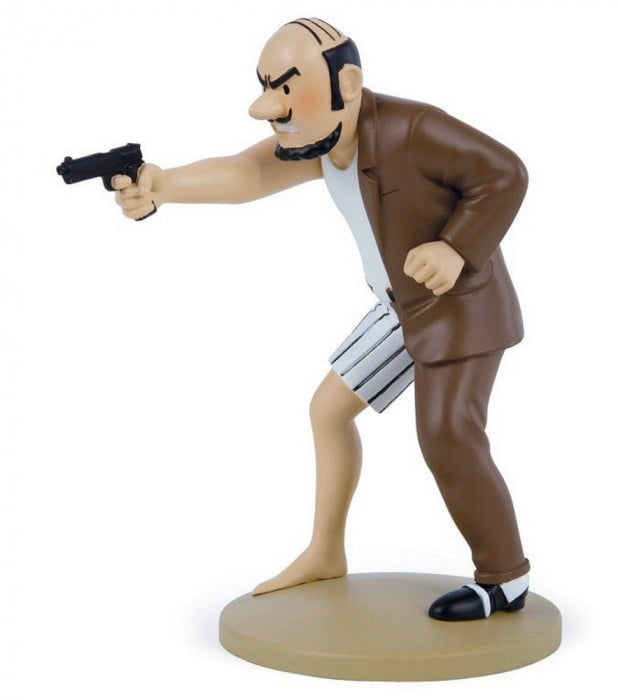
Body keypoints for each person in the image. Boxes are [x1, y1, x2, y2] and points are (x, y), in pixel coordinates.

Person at [113, 18, 531, 621]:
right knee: (329, 410)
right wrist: (164, 186)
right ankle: (326, 552)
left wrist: (455, 247)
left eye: (285, 88)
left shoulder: (413, 129)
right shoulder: (322, 140)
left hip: (458, 306)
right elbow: (250, 172)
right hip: (400, 306)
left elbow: (504, 172)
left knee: (447, 434)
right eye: (266, 87)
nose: (266, 107)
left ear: (348, 84)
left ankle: (505, 579)